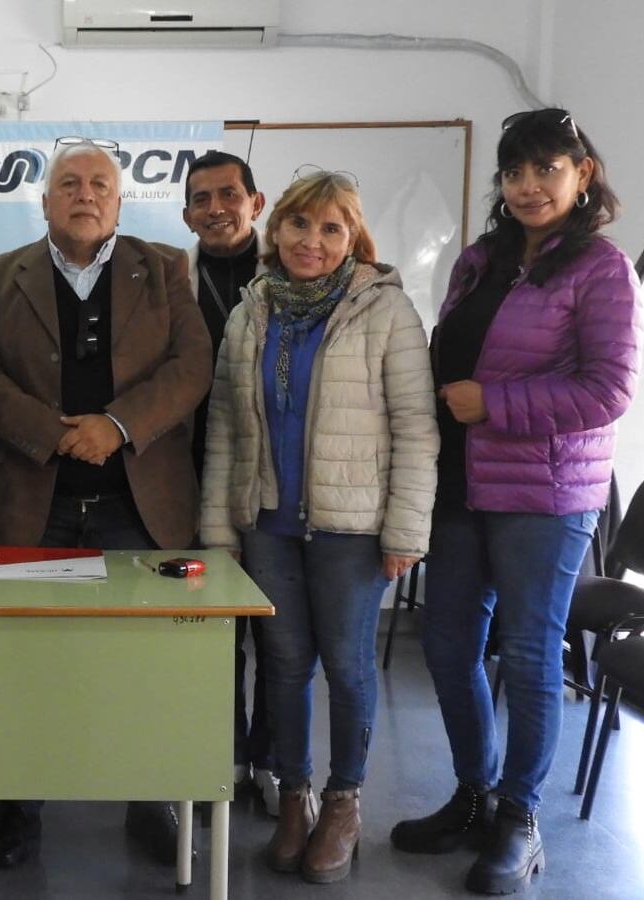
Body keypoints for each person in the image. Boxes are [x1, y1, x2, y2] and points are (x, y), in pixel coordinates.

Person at [391, 109, 640, 895]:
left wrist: (494, 402)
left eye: (546, 170)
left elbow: (610, 389)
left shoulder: (602, 269)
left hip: (546, 493)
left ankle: (519, 819)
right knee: (447, 644)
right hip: (464, 480)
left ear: (582, 173)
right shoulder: (480, 259)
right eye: (515, 172)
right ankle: (473, 792)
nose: (529, 186)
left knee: (529, 655)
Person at [0, 137, 211, 868]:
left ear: (120, 199)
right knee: (25, 667)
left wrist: (116, 426)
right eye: (68, 182)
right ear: (43, 201)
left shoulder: (165, 268)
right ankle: (16, 809)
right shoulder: (0, 274)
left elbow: (192, 366)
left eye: (99, 183)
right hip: (33, 503)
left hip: (138, 505)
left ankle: (151, 798)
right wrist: (57, 434)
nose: (84, 194)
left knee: (147, 666)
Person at [200, 167, 438, 884]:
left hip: (353, 526)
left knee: (347, 665)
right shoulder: (252, 311)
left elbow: (416, 428)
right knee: (283, 664)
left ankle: (343, 801)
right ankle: (295, 796)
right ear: (275, 230)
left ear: (352, 237)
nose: (312, 240)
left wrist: (404, 530)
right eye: (300, 225)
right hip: (267, 522)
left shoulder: (386, 311)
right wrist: (219, 527)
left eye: (331, 228)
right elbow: (226, 429)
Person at [181, 149, 279, 815]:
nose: (216, 208)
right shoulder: (164, 278)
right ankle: (225, 756)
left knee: (278, 636)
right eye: (201, 199)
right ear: (185, 214)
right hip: (187, 478)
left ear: (256, 203)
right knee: (212, 631)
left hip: (273, 479)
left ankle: (270, 759)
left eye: (228, 195)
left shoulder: (297, 268)